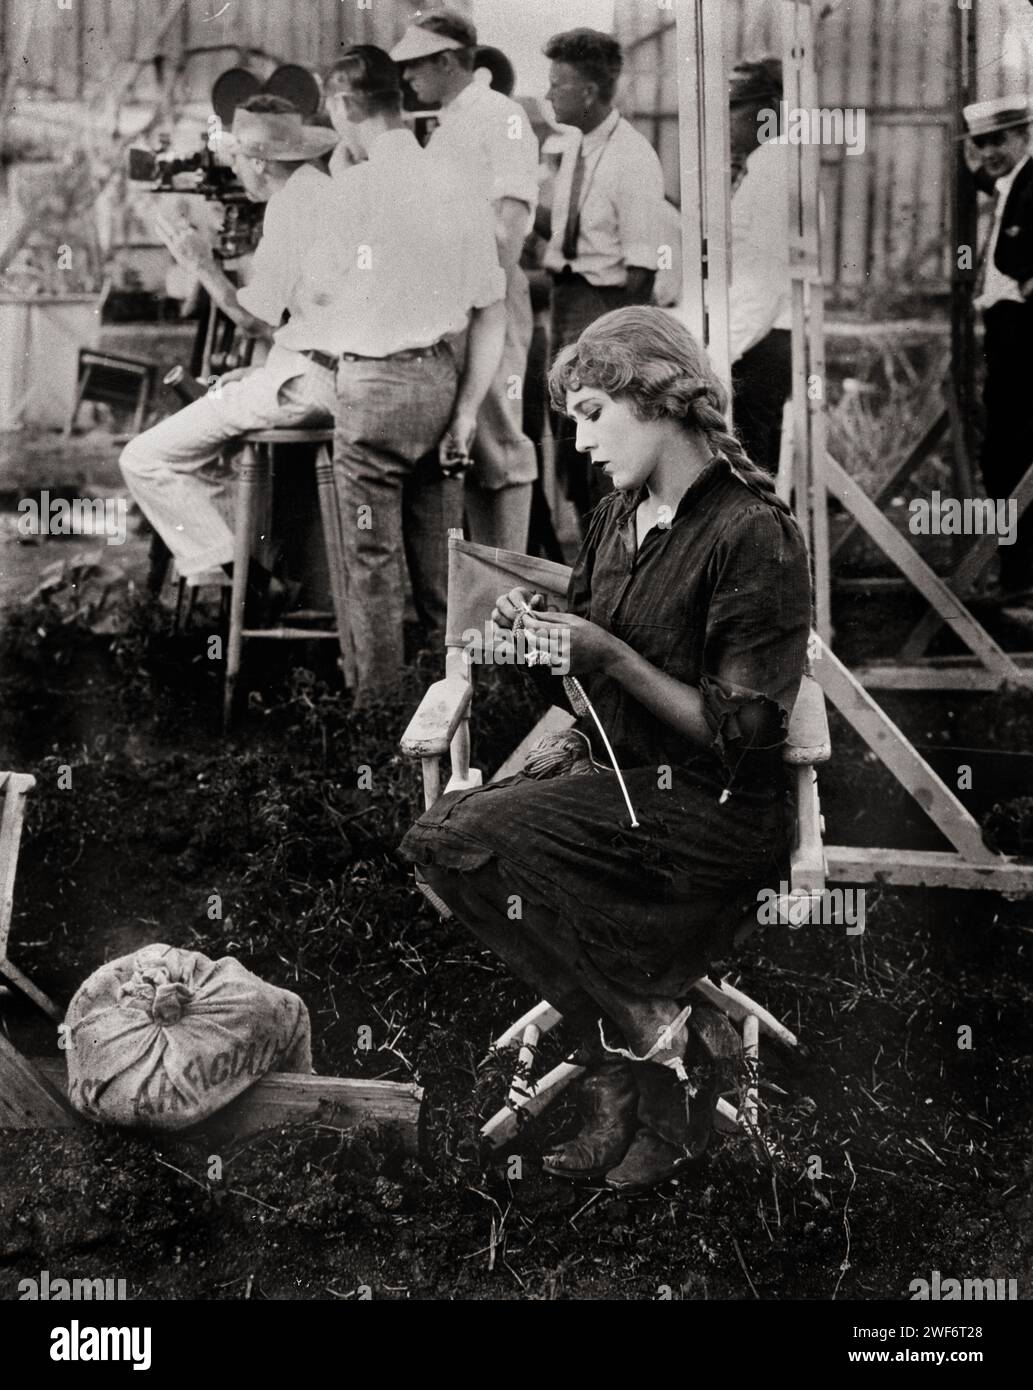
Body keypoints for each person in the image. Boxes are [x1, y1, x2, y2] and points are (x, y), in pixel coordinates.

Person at [401, 307, 812, 1192]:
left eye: (591, 413)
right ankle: (649, 1044)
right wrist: (540, 634)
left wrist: (609, 655)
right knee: (443, 844)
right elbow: (577, 678)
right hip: (618, 786)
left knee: (471, 838)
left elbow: (743, 739)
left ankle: (635, 1074)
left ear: (657, 398)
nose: (580, 441)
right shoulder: (616, 516)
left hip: (712, 814)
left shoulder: (752, 533)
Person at [306, 45, 506, 704]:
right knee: (440, 565)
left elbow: (310, 307)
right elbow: (488, 310)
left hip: (374, 392)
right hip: (441, 384)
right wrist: (469, 412)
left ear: (341, 107)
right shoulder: (458, 183)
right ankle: (458, 711)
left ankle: (378, 721)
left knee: (371, 564)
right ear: (400, 101)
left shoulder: (349, 194)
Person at [119, 96, 340, 613]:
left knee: (144, 459)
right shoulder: (322, 193)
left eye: (238, 157)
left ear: (260, 161)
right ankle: (247, 579)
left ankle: (244, 586)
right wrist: (262, 366)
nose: (233, 169)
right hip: (315, 372)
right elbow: (306, 317)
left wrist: (199, 263)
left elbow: (252, 318)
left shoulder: (289, 207)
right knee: (210, 459)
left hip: (304, 385)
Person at [392, 12, 540, 554]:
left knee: (499, 433)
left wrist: (486, 296)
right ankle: (486, 587)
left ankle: (512, 585)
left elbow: (512, 216)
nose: (407, 78)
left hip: (491, 292)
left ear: (448, 60)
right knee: (470, 436)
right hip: (457, 297)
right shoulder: (451, 122)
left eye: (415, 66)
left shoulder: (499, 115)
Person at [541, 28, 666, 523]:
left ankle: (614, 560)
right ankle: (587, 556)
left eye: (558, 84)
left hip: (603, 307)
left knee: (602, 439)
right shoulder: (575, 145)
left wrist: (615, 351)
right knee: (571, 444)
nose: (549, 94)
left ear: (589, 92)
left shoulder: (632, 157)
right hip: (565, 299)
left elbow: (641, 271)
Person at [963, 94, 1033, 598]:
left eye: (998, 140)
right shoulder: (1012, 181)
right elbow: (986, 178)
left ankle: (1020, 575)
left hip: (1026, 338)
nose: (989, 151)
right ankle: (1016, 573)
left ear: (1024, 136)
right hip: (1006, 337)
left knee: (1012, 455)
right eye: (980, 142)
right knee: (1002, 454)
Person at [727, 58, 792, 477]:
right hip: (755, 339)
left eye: (733, 107)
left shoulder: (773, 171)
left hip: (760, 342)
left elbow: (764, 284)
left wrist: (719, 351)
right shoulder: (764, 167)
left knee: (751, 471)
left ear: (765, 110)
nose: (725, 121)